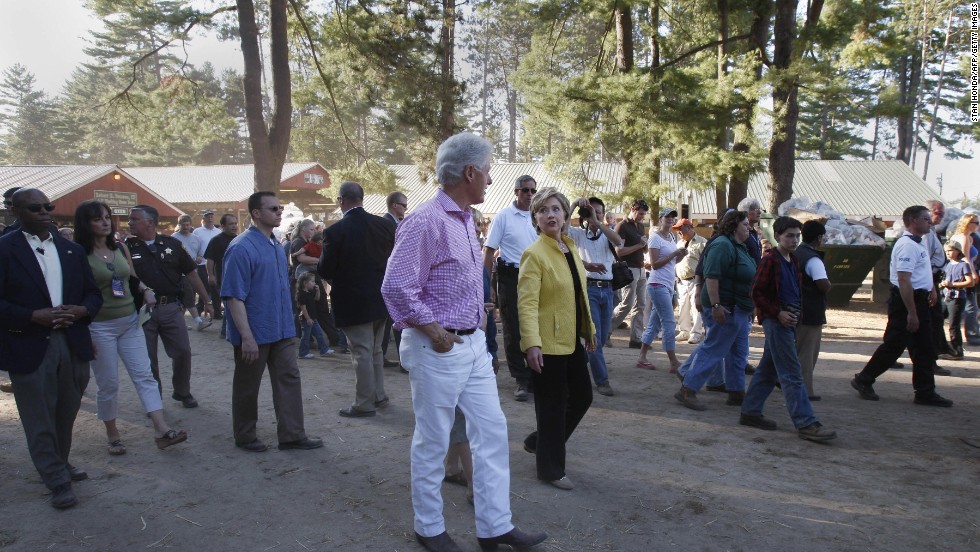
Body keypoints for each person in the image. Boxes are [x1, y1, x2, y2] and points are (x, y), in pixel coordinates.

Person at [382, 132, 547, 552]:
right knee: (434, 438)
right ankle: (429, 527)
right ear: (470, 172)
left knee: (491, 431)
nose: (491, 180)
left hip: (472, 347)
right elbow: (397, 287)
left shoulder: (462, 219)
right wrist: (434, 329)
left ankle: (495, 527)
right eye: (488, 172)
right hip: (438, 346)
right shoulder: (426, 221)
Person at [0, 188, 103, 509]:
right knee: (37, 416)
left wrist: (81, 311)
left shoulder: (70, 250)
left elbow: (93, 294)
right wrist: (32, 315)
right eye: (35, 208)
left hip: (72, 341)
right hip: (29, 343)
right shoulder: (4, 250)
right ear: (15, 211)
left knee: (66, 411)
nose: (44, 212)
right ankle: (56, 479)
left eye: (48, 207)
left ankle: (60, 460)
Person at [73, 200, 187, 456]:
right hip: (99, 326)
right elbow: (74, 293)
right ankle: (112, 433)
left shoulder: (121, 247)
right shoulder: (78, 254)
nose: (105, 222)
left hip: (130, 322)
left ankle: (161, 429)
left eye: (107, 217)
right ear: (85, 223)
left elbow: (132, 277)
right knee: (109, 383)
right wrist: (82, 331)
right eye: (97, 218)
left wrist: (145, 290)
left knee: (144, 375)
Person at [222, 191, 323, 453]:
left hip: (281, 328)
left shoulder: (276, 246)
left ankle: (292, 434)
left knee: (289, 377)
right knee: (247, 385)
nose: (279, 212)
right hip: (254, 332)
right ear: (256, 213)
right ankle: (245, 436)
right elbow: (233, 296)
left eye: (279, 208)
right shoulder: (241, 247)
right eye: (273, 208)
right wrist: (246, 337)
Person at [519, 188, 597, 490]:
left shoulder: (569, 247)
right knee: (551, 406)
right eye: (542, 210)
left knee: (582, 397)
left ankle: (539, 442)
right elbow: (526, 304)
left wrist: (587, 328)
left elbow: (578, 292)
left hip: (570, 338)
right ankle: (550, 469)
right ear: (535, 218)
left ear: (565, 215)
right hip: (546, 342)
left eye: (555, 209)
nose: (550, 215)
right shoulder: (534, 254)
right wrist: (531, 343)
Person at [739, 216, 837, 442]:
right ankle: (806, 423)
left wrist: (796, 315)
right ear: (778, 236)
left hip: (790, 319)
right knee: (792, 373)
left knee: (768, 369)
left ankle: (750, 411)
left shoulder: (793, 260)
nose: (794, 240)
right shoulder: (771, 259)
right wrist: (778, 313)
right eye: (789, 236)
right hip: (777, 321)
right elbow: (756, 292)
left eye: (797, 236)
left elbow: (795, 291)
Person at [850, 205, 954, 407]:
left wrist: (931, 289)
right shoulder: (907, 245)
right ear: (913, 220)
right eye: (926, 218)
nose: (930, 222)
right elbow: (904, 280)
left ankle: (925, 392)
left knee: (924, 347)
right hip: (907, 301)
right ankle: (864, 379)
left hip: (920, 299)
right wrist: (912, 313)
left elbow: (923, 271)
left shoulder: (920, 242)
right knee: (894, 345)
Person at [319, 181, 396, 418]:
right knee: (374, 350)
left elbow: (325, 269)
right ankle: (378, 395)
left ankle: (364, 403)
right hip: (382, 297)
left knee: (362, 351)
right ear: (361, 198)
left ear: (341, 200)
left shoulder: (335, 231)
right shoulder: (384, 225)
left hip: (353, 300)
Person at [126, 204, 213, 408]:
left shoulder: (172, 244)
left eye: (134, 219)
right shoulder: (126, 248)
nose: (129, 223)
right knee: (148, 358)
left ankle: (182, 391)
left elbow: (191, 273)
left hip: (171, 307)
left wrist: (206, 300)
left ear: (149, 222)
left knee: (183, 351)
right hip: (141, 310)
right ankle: (153, 399)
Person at [675, 211, 756, 409]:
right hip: (726, 308)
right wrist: (717, 305)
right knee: (714, 349)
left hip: (739, 308)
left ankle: (736, 392)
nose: (749, 227)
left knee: (738, 352)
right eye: (745, 224)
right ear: (734, 226)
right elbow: (711, 276)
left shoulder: (738, 246)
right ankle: (687, 389)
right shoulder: (722, 245)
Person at [483, 174, 538, 401]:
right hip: (510, 277)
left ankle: (535, 375)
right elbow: (488, 251)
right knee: (513, 328)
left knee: (535, 326)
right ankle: (521, 379)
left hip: (535, 276)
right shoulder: (504, 216)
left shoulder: (539, 216)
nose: (529, 195)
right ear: (516, 192)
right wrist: (487, 285)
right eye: (525, 190)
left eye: (533, 191)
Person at [568, 196, 622, 396]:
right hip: (589, 288)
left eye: (598, 211)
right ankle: (602, 380)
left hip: (608, 290)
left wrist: (597, 221)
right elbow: (562, 232)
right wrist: (573, 206)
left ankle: (578, 370)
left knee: (603, 333)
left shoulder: (606, 233)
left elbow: (619, 242)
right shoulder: (579, 234)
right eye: (591, 211)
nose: (594, 214)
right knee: (595, 336)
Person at [636, 207, 687, 372]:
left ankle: (642, 357)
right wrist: (674, 255)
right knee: (669, 322)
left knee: (654, 323)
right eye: (667, 217)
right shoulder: (655, 238)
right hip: (657, 284)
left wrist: (681, 256)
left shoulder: (671, 236)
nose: (671, 219)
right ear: (661, 219)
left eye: (673, 217)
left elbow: (672, 263)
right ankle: (673, 361)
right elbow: (655, 264)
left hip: (667, 285)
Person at [795, 220, 831, 400]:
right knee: (807, 354)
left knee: (796, 349)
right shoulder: (813, 259)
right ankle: (804, 390)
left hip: (796, 307)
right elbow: (823, 284)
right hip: (811, 311)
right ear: (818, 237)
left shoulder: (797, 253)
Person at [611, 199, 649, 348]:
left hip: (641, 269)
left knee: (640, 305)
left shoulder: (640, 226)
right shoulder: (622, 226)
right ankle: (606, 331)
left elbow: (642, 247)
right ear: (633, 209)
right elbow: (619, 251)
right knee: (626, 304)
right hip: (628, 269)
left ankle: (636, 339)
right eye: (640, 213)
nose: (642, 217)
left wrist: (644, 246)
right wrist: (639, 245)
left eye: (644, 214)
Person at [170, 214, 211, 331]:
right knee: (188, 297)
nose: (185, 227)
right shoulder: (174, 238)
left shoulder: (195, 238)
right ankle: (198, 321)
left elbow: (201, 252)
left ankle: (179, 323)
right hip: (180, 273)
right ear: (179, 225)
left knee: (187, 298)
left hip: (194, 272)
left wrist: (199, 257)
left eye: (187, 225)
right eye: (183, 225)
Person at [0, 186, 23, 395]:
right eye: (6, 203)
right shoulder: (8, 232)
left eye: (10, 204)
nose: (7, 208)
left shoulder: (47, 231)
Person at [382, 191, 409, 368]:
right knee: (396, 320)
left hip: (391, 277)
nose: (406, 209)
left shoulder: (394, 223)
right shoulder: (387, 224)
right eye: (404, 205)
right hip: (392, 278)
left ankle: (386, 356)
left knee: (389, 321)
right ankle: (402, 361)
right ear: (394, 205)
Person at [947, 213, 980, 347]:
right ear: (968, 223)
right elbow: (966, 258)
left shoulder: (963, 237)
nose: (978, 225)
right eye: (976, 223)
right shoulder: (964, 238)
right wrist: (973, 274)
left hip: (958, 271)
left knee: (960, 304)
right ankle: (973, 336)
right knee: (971, 306)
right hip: (964, 272)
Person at [204, 214, 238, 339]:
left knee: (234, 305)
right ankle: (225, 331)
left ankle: (228, 330)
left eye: (235, 223)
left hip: (237, 278)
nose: (234, 226)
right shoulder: (216, 240)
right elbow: (210, 260)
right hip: (222, 278)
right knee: (228, 304)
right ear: (223, 226)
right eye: (231, 224)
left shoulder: (239, 239)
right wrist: (210, 275)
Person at [674, 218, 706, 344]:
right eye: (677, 230)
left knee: (695, 307)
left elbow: (704, 262)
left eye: (680, 229)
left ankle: (696, 333)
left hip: (695, 280)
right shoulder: (679, 243)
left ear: (688, 227)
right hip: (681, 281)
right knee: (682, 306)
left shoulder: (702, 242)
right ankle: (684, 331)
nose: (679, 232)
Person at [939, 241, 974, 359]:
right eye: (946, 251)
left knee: (953, 326)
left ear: (958, 251)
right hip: (946, 297)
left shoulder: (963, 265)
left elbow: (970, 282)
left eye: (950, 250)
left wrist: (952, 284)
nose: (948, 253)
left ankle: (957, 351)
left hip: (957, 298)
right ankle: (943, 347)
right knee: (937, 319)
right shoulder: (948, 265)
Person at [192, 209, 222, 318]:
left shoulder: (218, 232)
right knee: (203, 288)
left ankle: (217, 312)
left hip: (215, 264)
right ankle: (199, 310)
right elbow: (193, 246)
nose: (210, 218)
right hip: (201, 264)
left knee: (216, 289)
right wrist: (196, 256)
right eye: (207, 216)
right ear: (203, 218)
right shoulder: (197, 232)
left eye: (211, 216)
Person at [296, 271, 333, 358]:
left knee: (319, 334)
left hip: (313, 318)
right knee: (306, 336)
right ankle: (303, 352)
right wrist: (308, 318)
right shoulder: (302, 294)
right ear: (305, 283)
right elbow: (303, 308)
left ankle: (323, 349)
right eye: (312, 281)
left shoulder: (310, 292)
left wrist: (318, 290)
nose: (314, 283)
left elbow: (317, 299)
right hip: (306, 319)